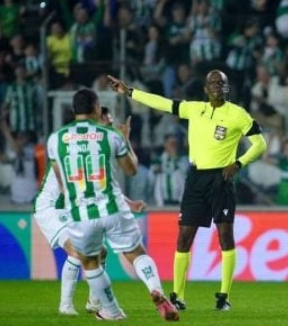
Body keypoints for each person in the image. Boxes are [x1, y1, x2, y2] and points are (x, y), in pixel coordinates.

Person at [108, 70, 268, 311]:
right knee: (184, 237)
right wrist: (130, 91)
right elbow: (162, 103)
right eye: (212, 82)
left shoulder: (238, 115)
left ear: (227, 88)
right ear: (205, 89)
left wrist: (238, 164)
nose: (216, 85)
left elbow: (260, 144)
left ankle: (224, 296)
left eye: (221, 82)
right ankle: (178, 296)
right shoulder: (195, 109)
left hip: (221, 178)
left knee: (225, 236)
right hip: (196, 178)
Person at [46, 89, 178, 321]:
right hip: (113, 206)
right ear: (97, 107)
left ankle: (113, 311)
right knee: (136, 253)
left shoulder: (55, 139)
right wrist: (125, 138)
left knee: (90, 262)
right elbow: (132, 170)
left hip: (80, 212)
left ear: (73, 110)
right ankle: (155, 289)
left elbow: (61, 180)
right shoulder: (110, 135)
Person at [34, 106, 147, 316]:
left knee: (100, 252)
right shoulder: (77, 144)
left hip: (67, 204)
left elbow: (99, 186)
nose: (111, 127)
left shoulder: (91, 146)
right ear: (97, 119)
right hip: (51, 206)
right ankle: (65, 306)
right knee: (78, 252)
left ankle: (94, 302)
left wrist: (129, 203)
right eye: (109, 123)